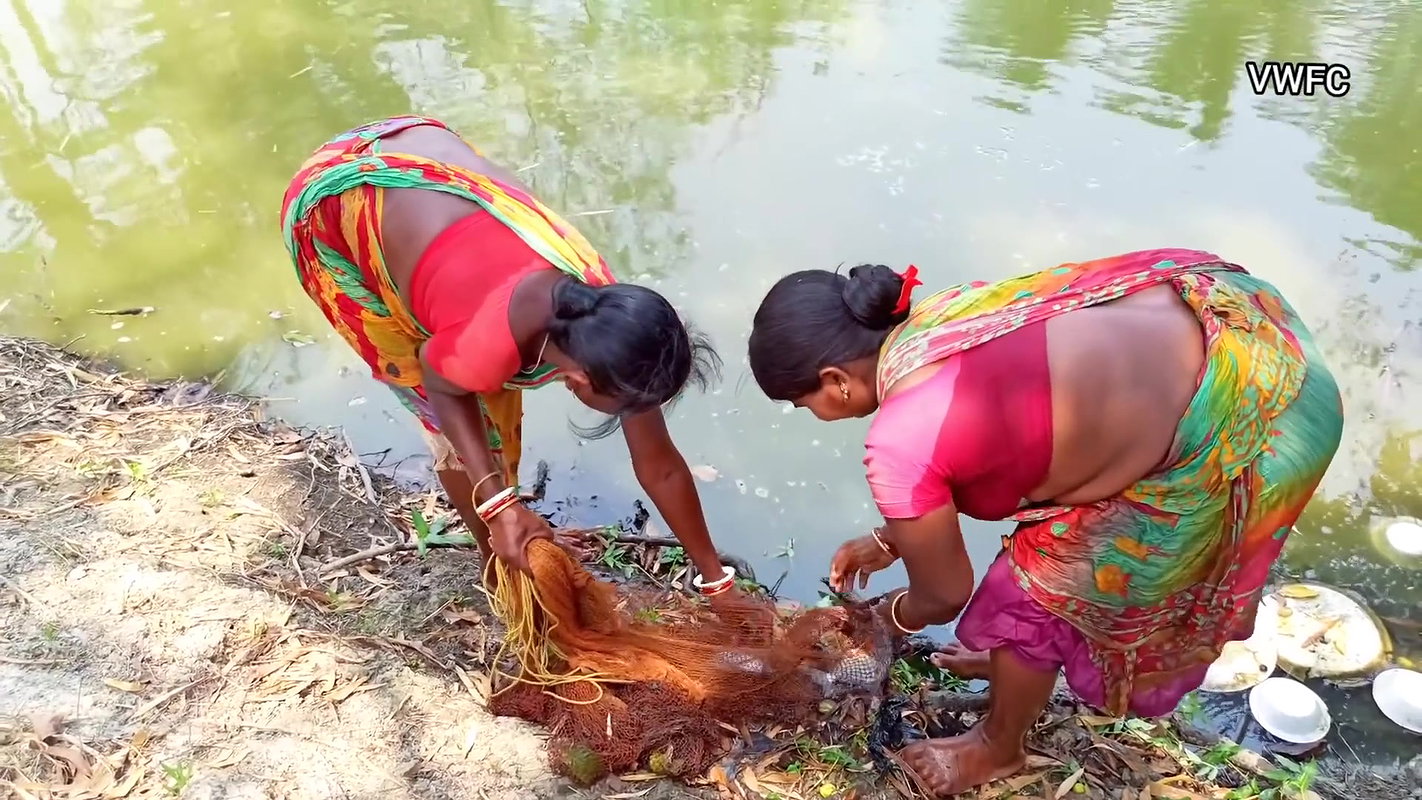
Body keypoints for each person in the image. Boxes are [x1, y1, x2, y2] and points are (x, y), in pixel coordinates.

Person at [746, 249, 1343, 797]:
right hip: (1241, 319)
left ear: (834, 381)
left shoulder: (898, 443)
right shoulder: (940, 319)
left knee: (1031, 597)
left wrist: (881, 621)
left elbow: (946, 593)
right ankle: (1013, 667)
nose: (812, 414)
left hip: (1259, 412)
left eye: (804, 405)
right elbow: (991, 447)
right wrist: (887, 540)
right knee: (1045, 578)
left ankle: (997, 747)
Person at [280, 115, 748, 606]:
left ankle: (511, 529)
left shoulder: (607, 319)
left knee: (484, 404)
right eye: (625, 406)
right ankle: (500, 561)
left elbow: (661, 466)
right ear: (576, 378)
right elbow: (443, 387)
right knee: (462, 416)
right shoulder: (482, 346)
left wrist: (716, 580)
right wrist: (501, 507)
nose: (634, 414)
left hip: (421, 152)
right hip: (336, 198)